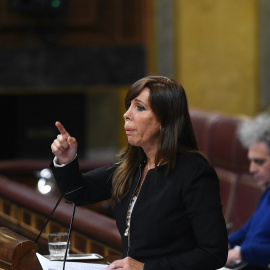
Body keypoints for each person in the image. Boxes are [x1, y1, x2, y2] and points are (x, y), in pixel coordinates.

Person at [50, 76, 228, 270]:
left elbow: (213, 253)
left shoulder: (194, 172)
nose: (126, 115)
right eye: (128, 106)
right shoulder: (130, 165)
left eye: (139, 108)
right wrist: (66, 161)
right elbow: (78, 193)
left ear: (166, 119)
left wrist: (145, 268)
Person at [226, 112, 270, 269]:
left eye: (259, 162)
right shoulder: (267, 193)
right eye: (250, 162)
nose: (251, 169)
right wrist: (227, 242)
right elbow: (248, 229)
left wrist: (242, 253)